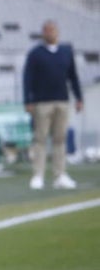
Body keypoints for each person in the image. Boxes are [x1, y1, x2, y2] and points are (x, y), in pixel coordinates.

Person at [23, 20, 83, 190]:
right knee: (40, 139)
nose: (50, 33)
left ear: (57, 32)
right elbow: (28, 78)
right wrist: (28, 100)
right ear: (43, 33)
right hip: (42, 102)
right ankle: (38, 175)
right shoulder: (35, 53)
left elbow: (73, 76)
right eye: (46, 31)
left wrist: (79, 97)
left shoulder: (66, 52)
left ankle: (60, 175)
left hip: (62, 101)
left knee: (60, 139)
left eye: (52, 30)